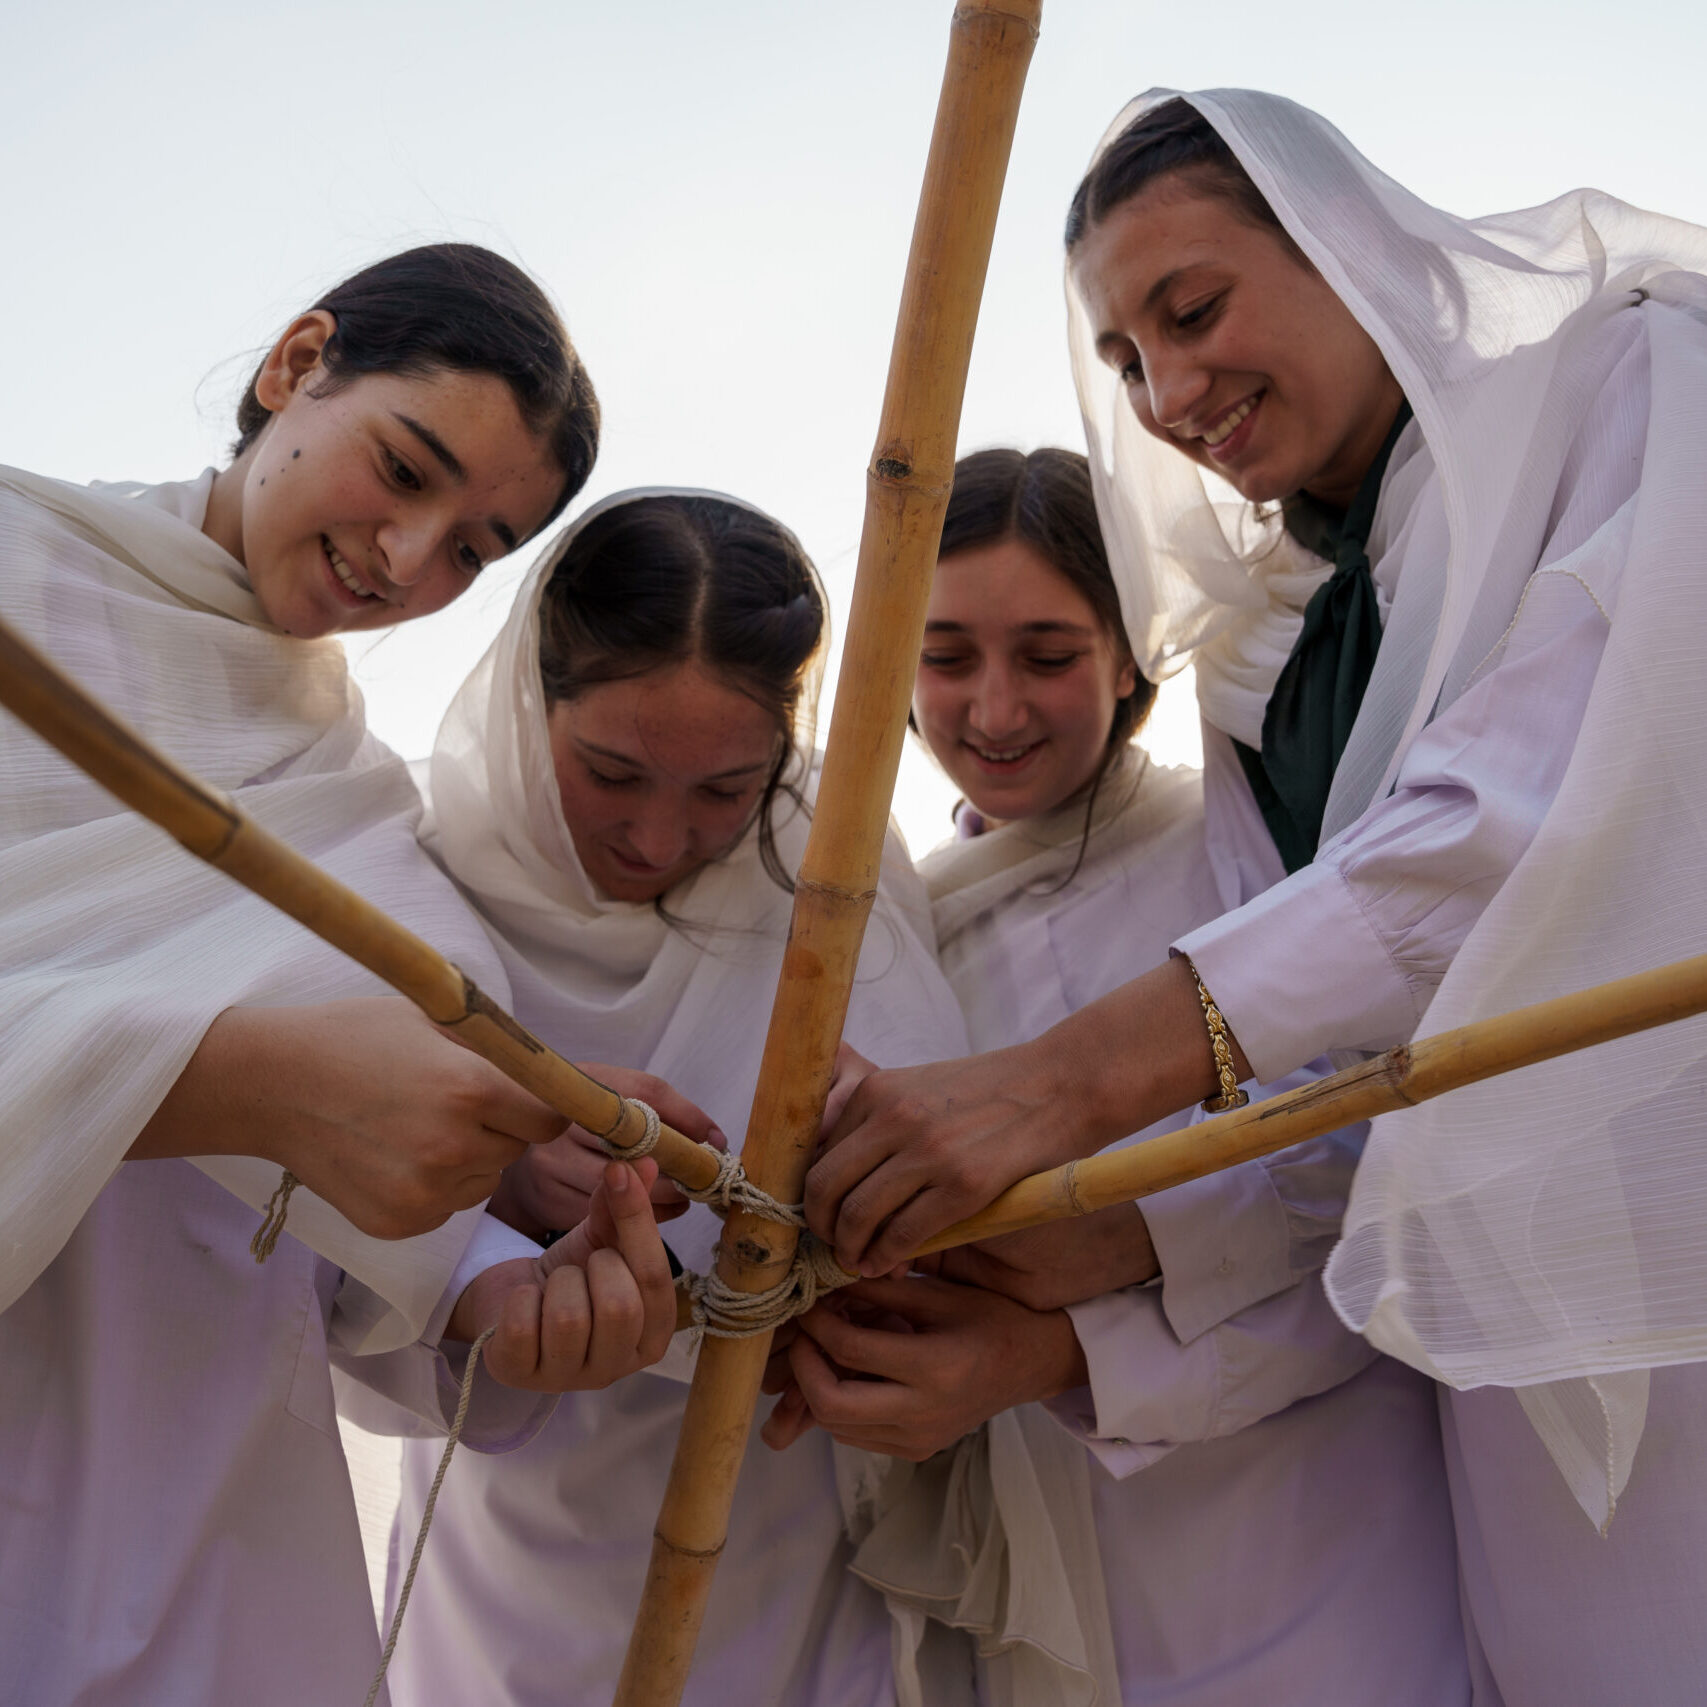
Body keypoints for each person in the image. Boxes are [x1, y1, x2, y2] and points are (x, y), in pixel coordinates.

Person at [803, 94, 1707, 1706]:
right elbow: (1329, 1103)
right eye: (1124, 357)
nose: (1166, 391)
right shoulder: (1276, 659)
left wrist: (1051, 1089)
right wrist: (1060, 1270)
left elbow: (1510, 823)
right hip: (1477, 1343)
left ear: (1345, 245)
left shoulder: (1625, 384)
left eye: (1192, 309)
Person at [0, 246, 694, 1706]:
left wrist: (520, 1267)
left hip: (204, 1543)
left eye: (472, 547)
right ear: (294, 363)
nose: (406, 556)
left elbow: (376, 1238)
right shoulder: (15, 594)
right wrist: (247, 1078)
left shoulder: (358, 820)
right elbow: (291, 1096)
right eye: (404, 467)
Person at [765, 447, 1466, 1705]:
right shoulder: (891, 933)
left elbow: (1381, 1188)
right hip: (1048, 1576)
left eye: (1046, 655)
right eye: (944, 655)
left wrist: (1076, 1328)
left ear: (1134, 654)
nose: (993, 709)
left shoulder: (1252, 857)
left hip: (1322, 1539)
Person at [374, 490, 970, 1707]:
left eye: (723, 791)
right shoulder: (408, 884)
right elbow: (322, 1222)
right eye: (612, 772)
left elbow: (942, 1191)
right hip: (512, 1495)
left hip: (777, 1507)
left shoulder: (836, 878)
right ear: (529, 703)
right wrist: (506, 1177)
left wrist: (865, 1183)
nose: (659, 836)